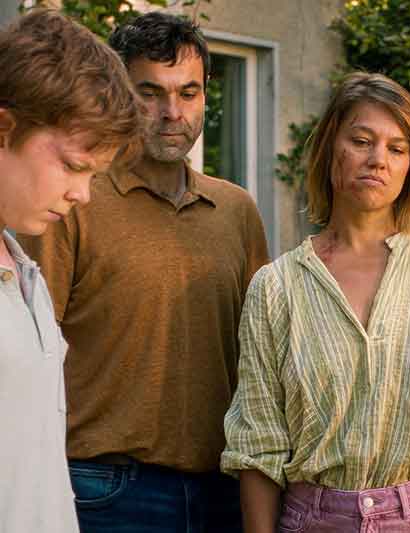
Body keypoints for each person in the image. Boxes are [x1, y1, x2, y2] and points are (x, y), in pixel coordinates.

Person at [221, 72, 410, 533]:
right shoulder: (276, 287)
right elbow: (258, 446)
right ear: (329, 149)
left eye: (397, 149)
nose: (378, 159)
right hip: (313, 521)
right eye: (361, 141)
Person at [19, 11, 269, 533]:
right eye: (149, 93)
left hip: (222, 491)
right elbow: (29, 351)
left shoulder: (238, 212)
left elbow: (261, 360)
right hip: (104, 490)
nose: (172, 113)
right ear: (118, 94)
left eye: (188, 93)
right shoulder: (70, 202)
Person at [0, 9, 142, 533]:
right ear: (3, 129)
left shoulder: (27, 274)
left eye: (95, 175)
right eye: (73, 166)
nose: (82, 194)